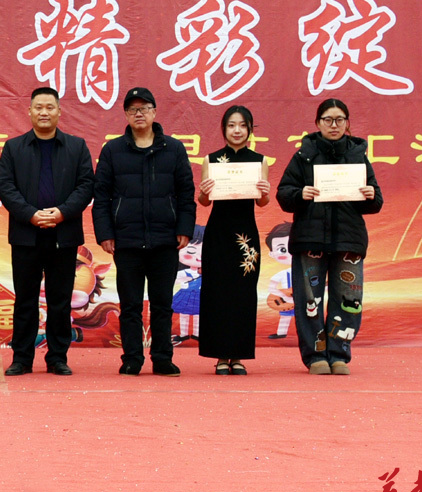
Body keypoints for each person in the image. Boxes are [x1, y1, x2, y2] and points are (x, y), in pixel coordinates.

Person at [93, 86, 196, 377]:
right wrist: (105, 233)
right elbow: (101, 196)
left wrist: (184, 228)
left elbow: (186, 193)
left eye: (144, 108)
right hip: (126, 240)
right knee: (130, 305)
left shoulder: (173, 148)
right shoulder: (113, 150)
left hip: (165, 240)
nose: (139, 113)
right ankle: (132, 358)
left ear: (154, 112)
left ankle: (162, 357)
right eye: (133, 109)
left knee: (163, 304)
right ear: (126, 114)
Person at [276, 99, 383, 375]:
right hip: (310, 239)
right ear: (317, 123)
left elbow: (376, 202)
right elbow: (284, 195)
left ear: (347, 123)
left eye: (339, 119)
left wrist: (370, 195)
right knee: (309, 300)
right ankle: (315, 356)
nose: (333, 125)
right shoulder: (304, 155)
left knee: (349, 299)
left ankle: (339, 354)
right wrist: (300, 194)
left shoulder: (358, 156)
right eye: (327, 119)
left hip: (349, 240)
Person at [0, 87, 94, 376]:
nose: (44, 112)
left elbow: (86, 185)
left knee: (60, 300)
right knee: (25, 299)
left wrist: (62, 212)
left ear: (59, 112)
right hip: (26, 234)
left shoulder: (77, 146)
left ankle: (57, 357)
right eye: (38, 107)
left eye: (49, 107)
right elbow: (6, 186)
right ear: (29, 111)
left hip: (63, 234)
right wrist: (31, 214)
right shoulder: (14, 148)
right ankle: (22, 358)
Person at [196, 105, 271, 375]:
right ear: (223, 129)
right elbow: (204, 202)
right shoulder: (211, 160)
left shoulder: (259, 160)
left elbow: (262, 203)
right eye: (231, 125)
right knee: (217, 292)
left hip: (246, 236)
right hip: (218, 233)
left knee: (243, 293)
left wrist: (265, 192)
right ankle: (220, 356)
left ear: (249, 129)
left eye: (242, 125)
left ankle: (238, 355)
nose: (236, 130)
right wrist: (204, 192)